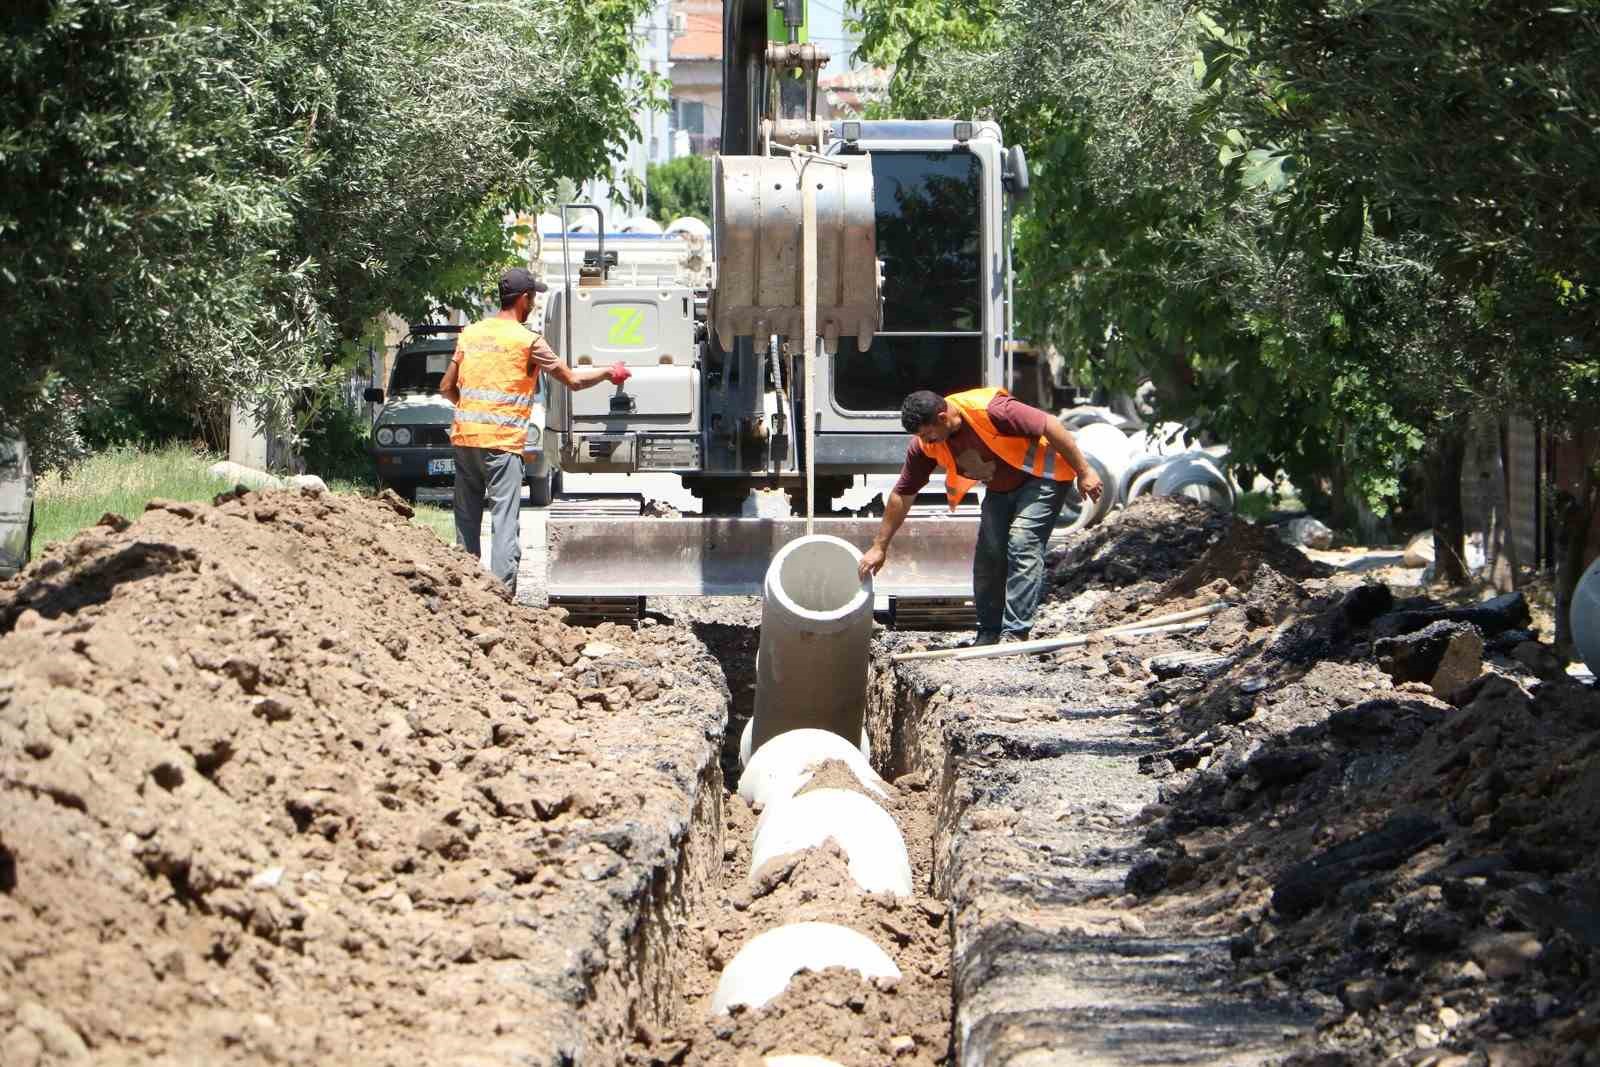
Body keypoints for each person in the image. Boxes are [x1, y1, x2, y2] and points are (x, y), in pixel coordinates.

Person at [858, 387, 1104, 645]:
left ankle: (1015, 634)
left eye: (928, 433)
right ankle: (989, 632)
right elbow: (903, 493)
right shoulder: (924, 446)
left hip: (1044, 478)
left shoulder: (992, 409)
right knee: (989, 556)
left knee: (1022, 542)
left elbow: (1049, 424)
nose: (926, 441)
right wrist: (879, 547)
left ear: (942, 418)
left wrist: (1084, 471)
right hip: (1000, 488)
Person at [440, 267, 629, 594]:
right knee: (503, 523)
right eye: (534, 298)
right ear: (525, 299)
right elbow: (572, 380)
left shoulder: (470, 333)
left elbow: (446, 387)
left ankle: (464, 592)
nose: (534, 304)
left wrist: (470, 412)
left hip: (465, 439)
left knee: (466, 519)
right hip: (501, 446)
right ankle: (498, 598)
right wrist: (608, 373)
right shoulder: (528, 341)